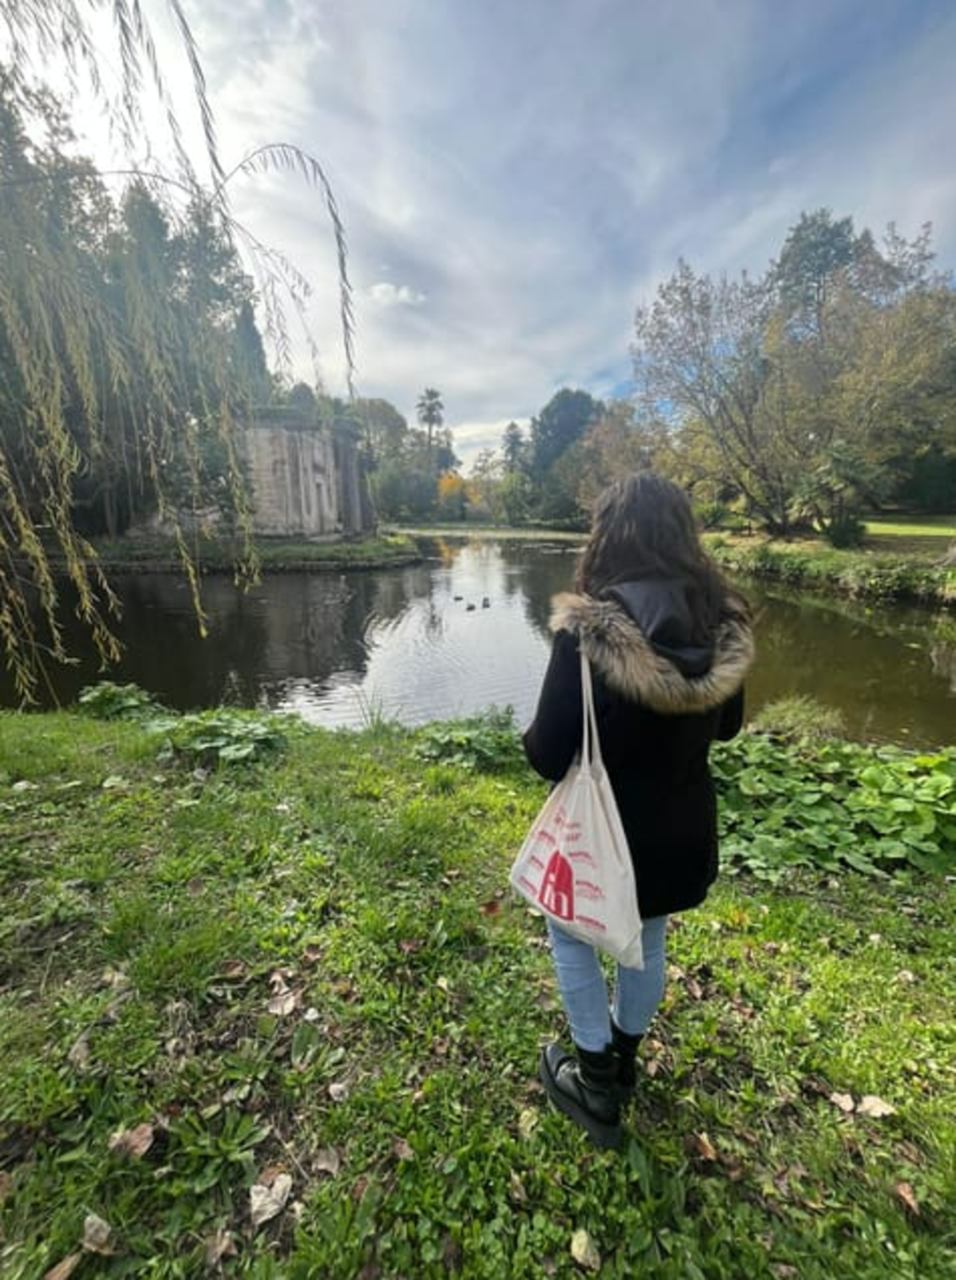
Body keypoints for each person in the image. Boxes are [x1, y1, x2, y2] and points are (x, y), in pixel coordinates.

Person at [523, 473, 754, 1150]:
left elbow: (545, 753)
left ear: (608, 536)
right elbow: (729, 727)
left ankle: (595, 1084)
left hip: (604, 837)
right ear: (685, 537)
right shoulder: (724, 626)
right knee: (646, 941)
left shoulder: (587, 630)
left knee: (569, 935)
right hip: (679, 837)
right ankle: (623, 1061)